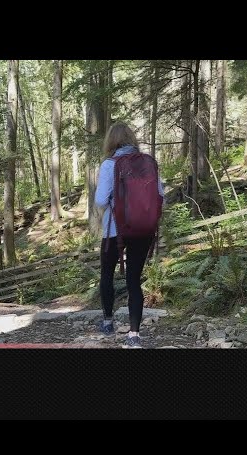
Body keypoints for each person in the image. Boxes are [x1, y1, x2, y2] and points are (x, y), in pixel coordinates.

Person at [94, 122, 164, 348]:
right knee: (134, 280)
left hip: (115, 230)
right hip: (143, 230)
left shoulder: (109, 164)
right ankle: (134, 334)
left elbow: (101, 200)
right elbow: (161, 196)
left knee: (107, 273)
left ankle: (107, 321)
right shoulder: (149, 163)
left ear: (110, 141)